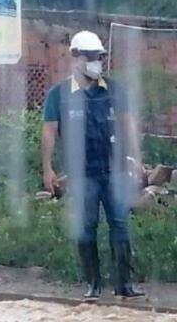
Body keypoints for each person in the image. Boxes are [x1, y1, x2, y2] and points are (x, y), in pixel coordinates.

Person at [41, 30, 145, 301]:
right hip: (82, 174)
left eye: (99, 57)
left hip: (115, 170)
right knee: (86, 227)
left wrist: (137, 158)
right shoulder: (59, 95)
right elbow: (50, 131)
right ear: (75, 57)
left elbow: (128, 125)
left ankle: (124, 284)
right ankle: (93, 284)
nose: (96, 62)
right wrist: (47, 168)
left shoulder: (114, 89)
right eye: (91, 57)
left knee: (120, 224)